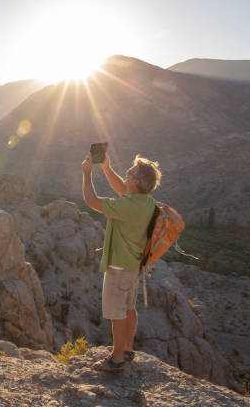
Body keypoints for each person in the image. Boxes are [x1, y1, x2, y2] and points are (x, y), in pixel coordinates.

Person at [81, 151, 161, 372]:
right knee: (129, 309)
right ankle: (127, 348)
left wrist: (87, 174)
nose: (126, 173)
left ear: (136, 182)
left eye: (130, 172)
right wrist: (106, 168)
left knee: (116, 314)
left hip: (118, 266)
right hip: (134, 266)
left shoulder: (126, 207)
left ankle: (116, 360)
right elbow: (122, 189)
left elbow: (91, 200)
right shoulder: (146, 202)